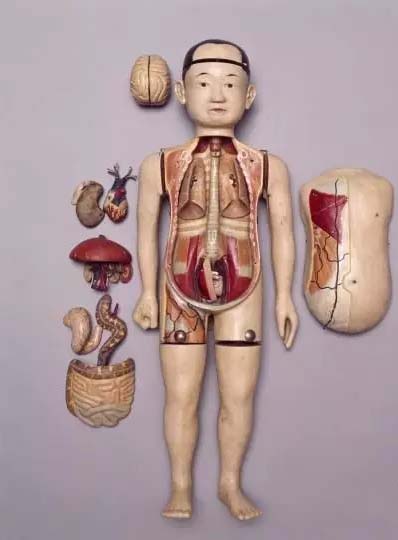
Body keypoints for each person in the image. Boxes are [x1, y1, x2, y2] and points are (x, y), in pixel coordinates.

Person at [133, 38, 298, 521]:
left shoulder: (268, 166)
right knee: (181, 396)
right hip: (177, 288)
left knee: (238, 395)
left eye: (230, 84)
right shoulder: (158, 164)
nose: (218, 95)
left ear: (249, 96)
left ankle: (229, 483)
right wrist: (147, 292)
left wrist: (284, 298)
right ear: (182, 92)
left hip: (245, 287)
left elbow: (283, 232)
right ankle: (181, 485)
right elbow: (146, 230)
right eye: (204, 83)